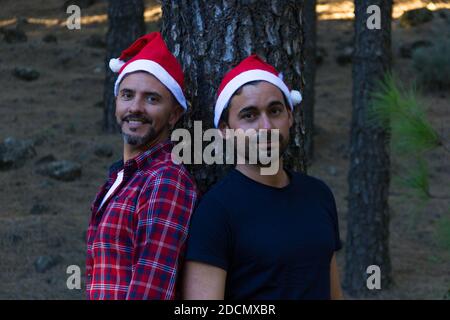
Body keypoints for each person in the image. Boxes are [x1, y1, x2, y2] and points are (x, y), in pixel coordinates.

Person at [182, 54, 343, 300]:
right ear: (225, 131)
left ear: (289, 117)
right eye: (250, 116)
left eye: (275, 111)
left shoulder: (319, 194)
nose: (266, 127)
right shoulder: (215, 212)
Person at [86, 32, 198, 300]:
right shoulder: (123, 178)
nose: (135, 107)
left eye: (151, 99)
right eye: (127, 95)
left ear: (174, 114)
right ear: (116, 103)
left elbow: (152, 288)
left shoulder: (166, 180)